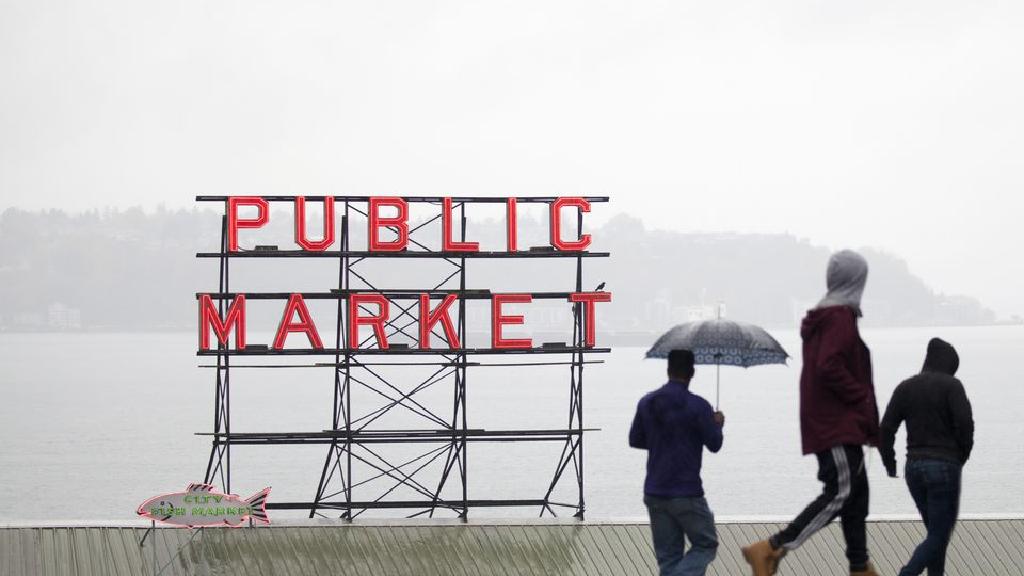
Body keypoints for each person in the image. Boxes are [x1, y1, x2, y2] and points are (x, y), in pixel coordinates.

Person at [742, 249, 880, 576]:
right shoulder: (839, 318)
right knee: (842, 492)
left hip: (833, 424)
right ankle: (773, 547)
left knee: (857, 495)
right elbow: (829, 366)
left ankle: (859, 566)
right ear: (856, 280)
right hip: (838, 425)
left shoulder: (827, 317)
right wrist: (860, 398)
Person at [879, 338, 974, 575]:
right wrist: (962, 455)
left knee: (935, 533)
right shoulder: (953, 386)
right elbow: (965, 424)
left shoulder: (905, 387)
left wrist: (890, 463)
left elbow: (885, 429)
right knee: (940, 534)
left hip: (914, 468)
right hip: (945, 466)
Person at [629, 349, 725, 576]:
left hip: (654, 490)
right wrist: (718, 424)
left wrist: (660, 441)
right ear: (692, 372)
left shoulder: (647, 402)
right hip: (687, 492)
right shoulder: (699, 406)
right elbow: (714, 445)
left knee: (668, 558)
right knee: (706, 544)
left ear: (668, 369)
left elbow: (635, 440)